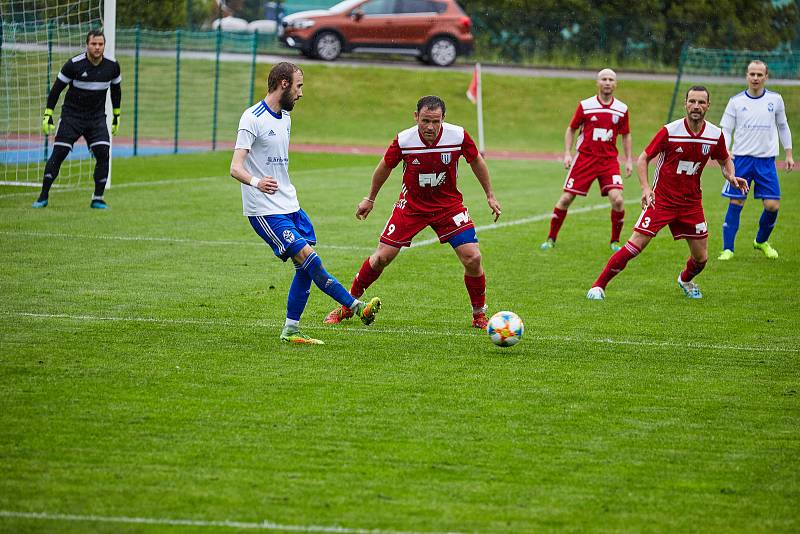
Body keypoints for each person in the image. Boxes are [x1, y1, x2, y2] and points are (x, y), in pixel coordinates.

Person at [230, 62, 381, 345]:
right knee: (310, 259)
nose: (301, 93)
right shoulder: (252, 118)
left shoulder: (285, 117)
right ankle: (357, 306)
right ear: (284, 84)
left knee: (304, 268)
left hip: (290, 205)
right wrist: (256, 182)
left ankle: (291, 328)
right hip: (265, 209)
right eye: (298, 86)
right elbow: (235, 167)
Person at [323, 95, 502, 329]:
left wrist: (489, 194)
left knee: (473, 257)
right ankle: (347, 305)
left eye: (435, 121)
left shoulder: (457, 136)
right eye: (425, 120)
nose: (430, 127)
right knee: (382, 257)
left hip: (448, 206)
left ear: (443, 119)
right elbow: (385, 167)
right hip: (412, 206)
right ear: (416, 116)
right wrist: (370, 198)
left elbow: (476, 160)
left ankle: (479, 315)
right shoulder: (405, 140)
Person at [586, 86, 749, 300]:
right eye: (692, 101)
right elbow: (643, 158)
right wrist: (646, 188)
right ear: (685, 104)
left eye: (701, 102)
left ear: (708, 106)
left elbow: (724, 158)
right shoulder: (670, 131)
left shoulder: (714, 134)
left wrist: (730, 176)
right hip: (661, 201)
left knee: (701, 259)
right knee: (635, 246)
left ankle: (685, 279)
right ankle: (598, 286)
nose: (696, 106)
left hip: (691, 203)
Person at [540, 68, 633, 252]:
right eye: (604, 79)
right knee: (566, 198)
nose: (607, 82)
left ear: (616, 84)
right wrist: (567, 152)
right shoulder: (586, 105)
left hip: (608, 161)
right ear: (597, 83)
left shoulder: (622, 109)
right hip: (585, 159)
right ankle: (551, 239)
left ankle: (615, 242)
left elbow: (626, 135)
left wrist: (629, 159)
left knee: (618, 200)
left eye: (611, 79)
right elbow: (571, 129)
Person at [32, 29, 122, 209]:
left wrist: (117, 116)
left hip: (96, 119)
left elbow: (116, 91)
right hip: (71, 117)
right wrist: (48, 114)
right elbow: (56, 89)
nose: (97, 47)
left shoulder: (112, 66)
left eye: (100, 44)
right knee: (59, 154)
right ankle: (43, 196)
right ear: (87, 45)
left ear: (104, 45)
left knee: (104, 154)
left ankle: (98, 198)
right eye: (93, 44)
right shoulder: (73, 65)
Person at [718, 60, 793, 261]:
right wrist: (725, 149)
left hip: (766, 162)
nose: (756, 78)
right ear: (747, 76)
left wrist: (788, 153)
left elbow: (783, 126)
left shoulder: (775, 100)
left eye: (760, 74)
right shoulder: (736, 101)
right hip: (741, 160)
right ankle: (728, 249)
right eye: (752, 74)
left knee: (772, 206)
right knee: (736, 202)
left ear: (766, 77)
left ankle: (761, 241)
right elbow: (725, 128)